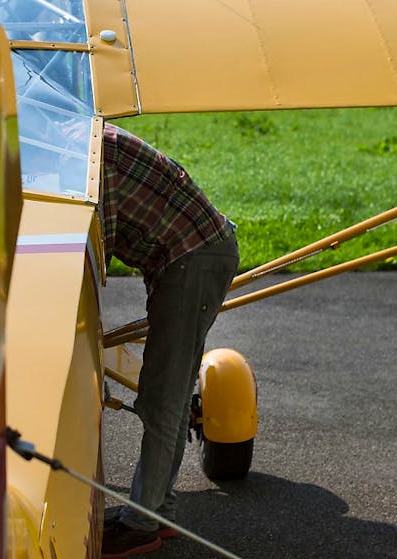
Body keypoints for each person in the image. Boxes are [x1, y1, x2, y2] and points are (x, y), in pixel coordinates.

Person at [99, 123, 239, 558]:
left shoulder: (86, 159)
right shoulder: (89, 139)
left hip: (191, 260)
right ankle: (159, 511)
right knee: (171, 400)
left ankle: (141, 525)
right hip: (190, 256)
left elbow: (90, 253)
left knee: (161, 400)